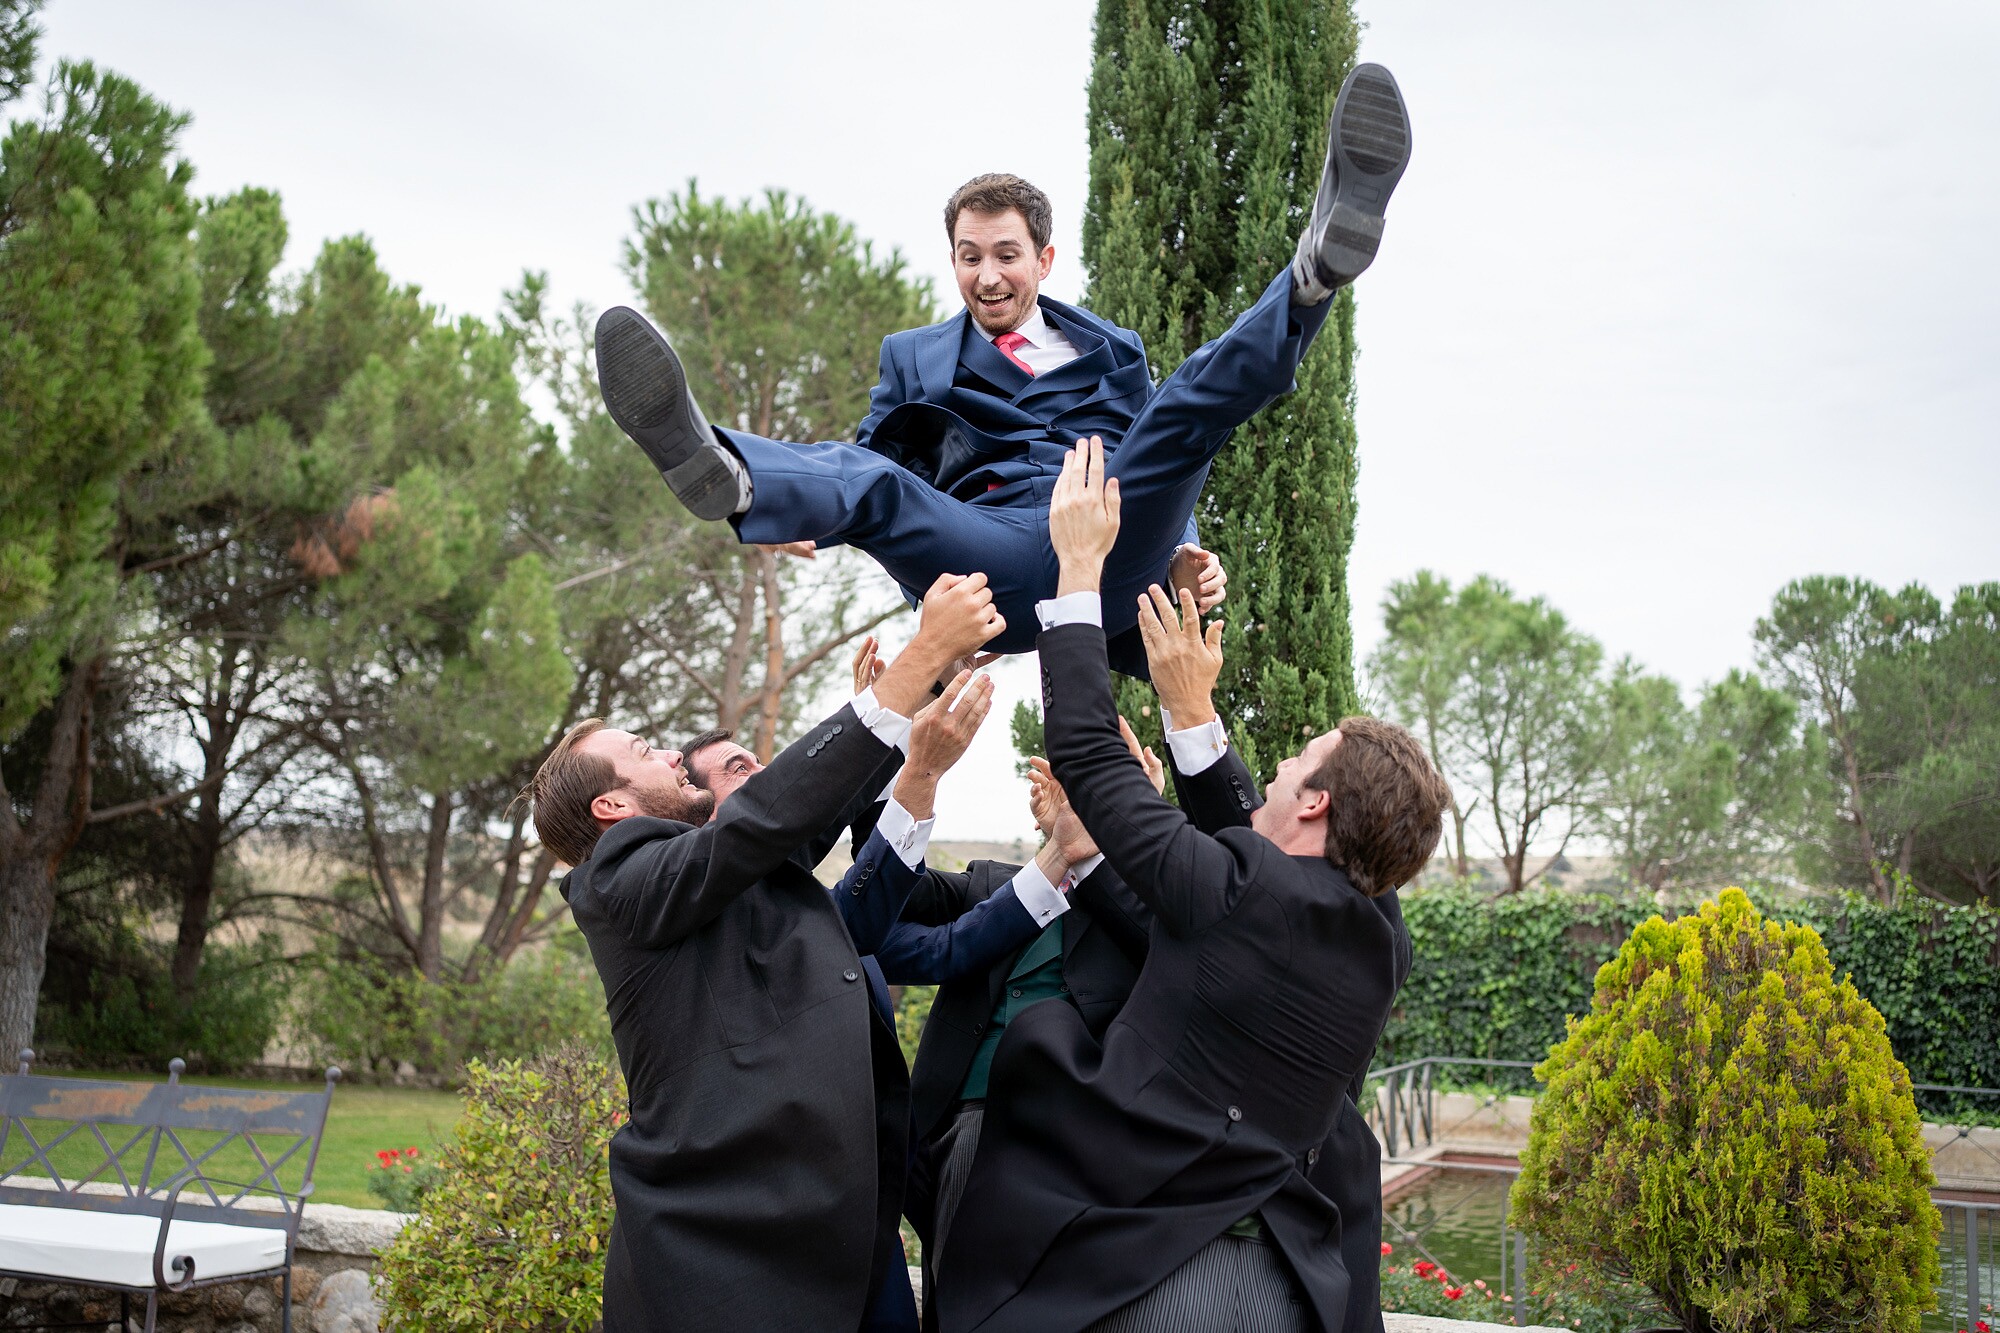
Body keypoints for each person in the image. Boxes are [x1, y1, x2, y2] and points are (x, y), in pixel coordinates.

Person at [592, 64, 1411, 674]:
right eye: (968, 255)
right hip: (986, 559)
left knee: (1188, 404)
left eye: (1006, 255)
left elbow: (1155, 457)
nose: (987, 275)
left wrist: (1186, 551)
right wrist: (797, 507)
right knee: (872, 481)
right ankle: (733, 477)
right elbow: (868, 462)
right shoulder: (911, 357)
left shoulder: (1113, 350)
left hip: (1106, 535)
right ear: (953, 258)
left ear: (1043, 258)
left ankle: (1313, 273)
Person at [935, 441, 1450, 1332]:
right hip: (1286, 1288)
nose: (1282, 763)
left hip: (1151, 1281)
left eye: (1301, 758)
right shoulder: (1381, 937)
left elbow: (1092, 754)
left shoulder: (1240, 890)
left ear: (1319, 800)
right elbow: (1249, 847)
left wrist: (1078, 569)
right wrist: (1192, 718)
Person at [531, 572, 1004, 1332]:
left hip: (836, 1237)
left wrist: (930, 682)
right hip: (730, 1269)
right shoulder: (614, 881)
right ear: (612, 806)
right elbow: (763, 817)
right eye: (644, 750)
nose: (670, 756)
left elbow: (796, 820)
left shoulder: (706, 881)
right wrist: (920, 655)